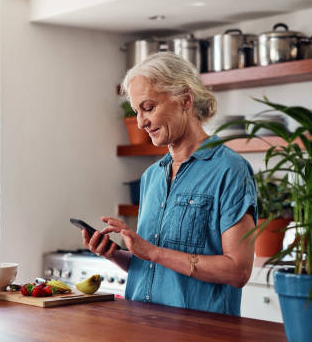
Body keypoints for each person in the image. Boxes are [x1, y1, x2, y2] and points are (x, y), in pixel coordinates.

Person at [81, 52, 257, 316]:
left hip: (200, 334)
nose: (141, 122)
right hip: (142, 326)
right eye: (137, 111)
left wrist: (152, 252)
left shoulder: (230, 170)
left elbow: (237, 271)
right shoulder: (152, 176)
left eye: (149, 108)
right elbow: (154, 268)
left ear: (185, 100)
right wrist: (115, 253)